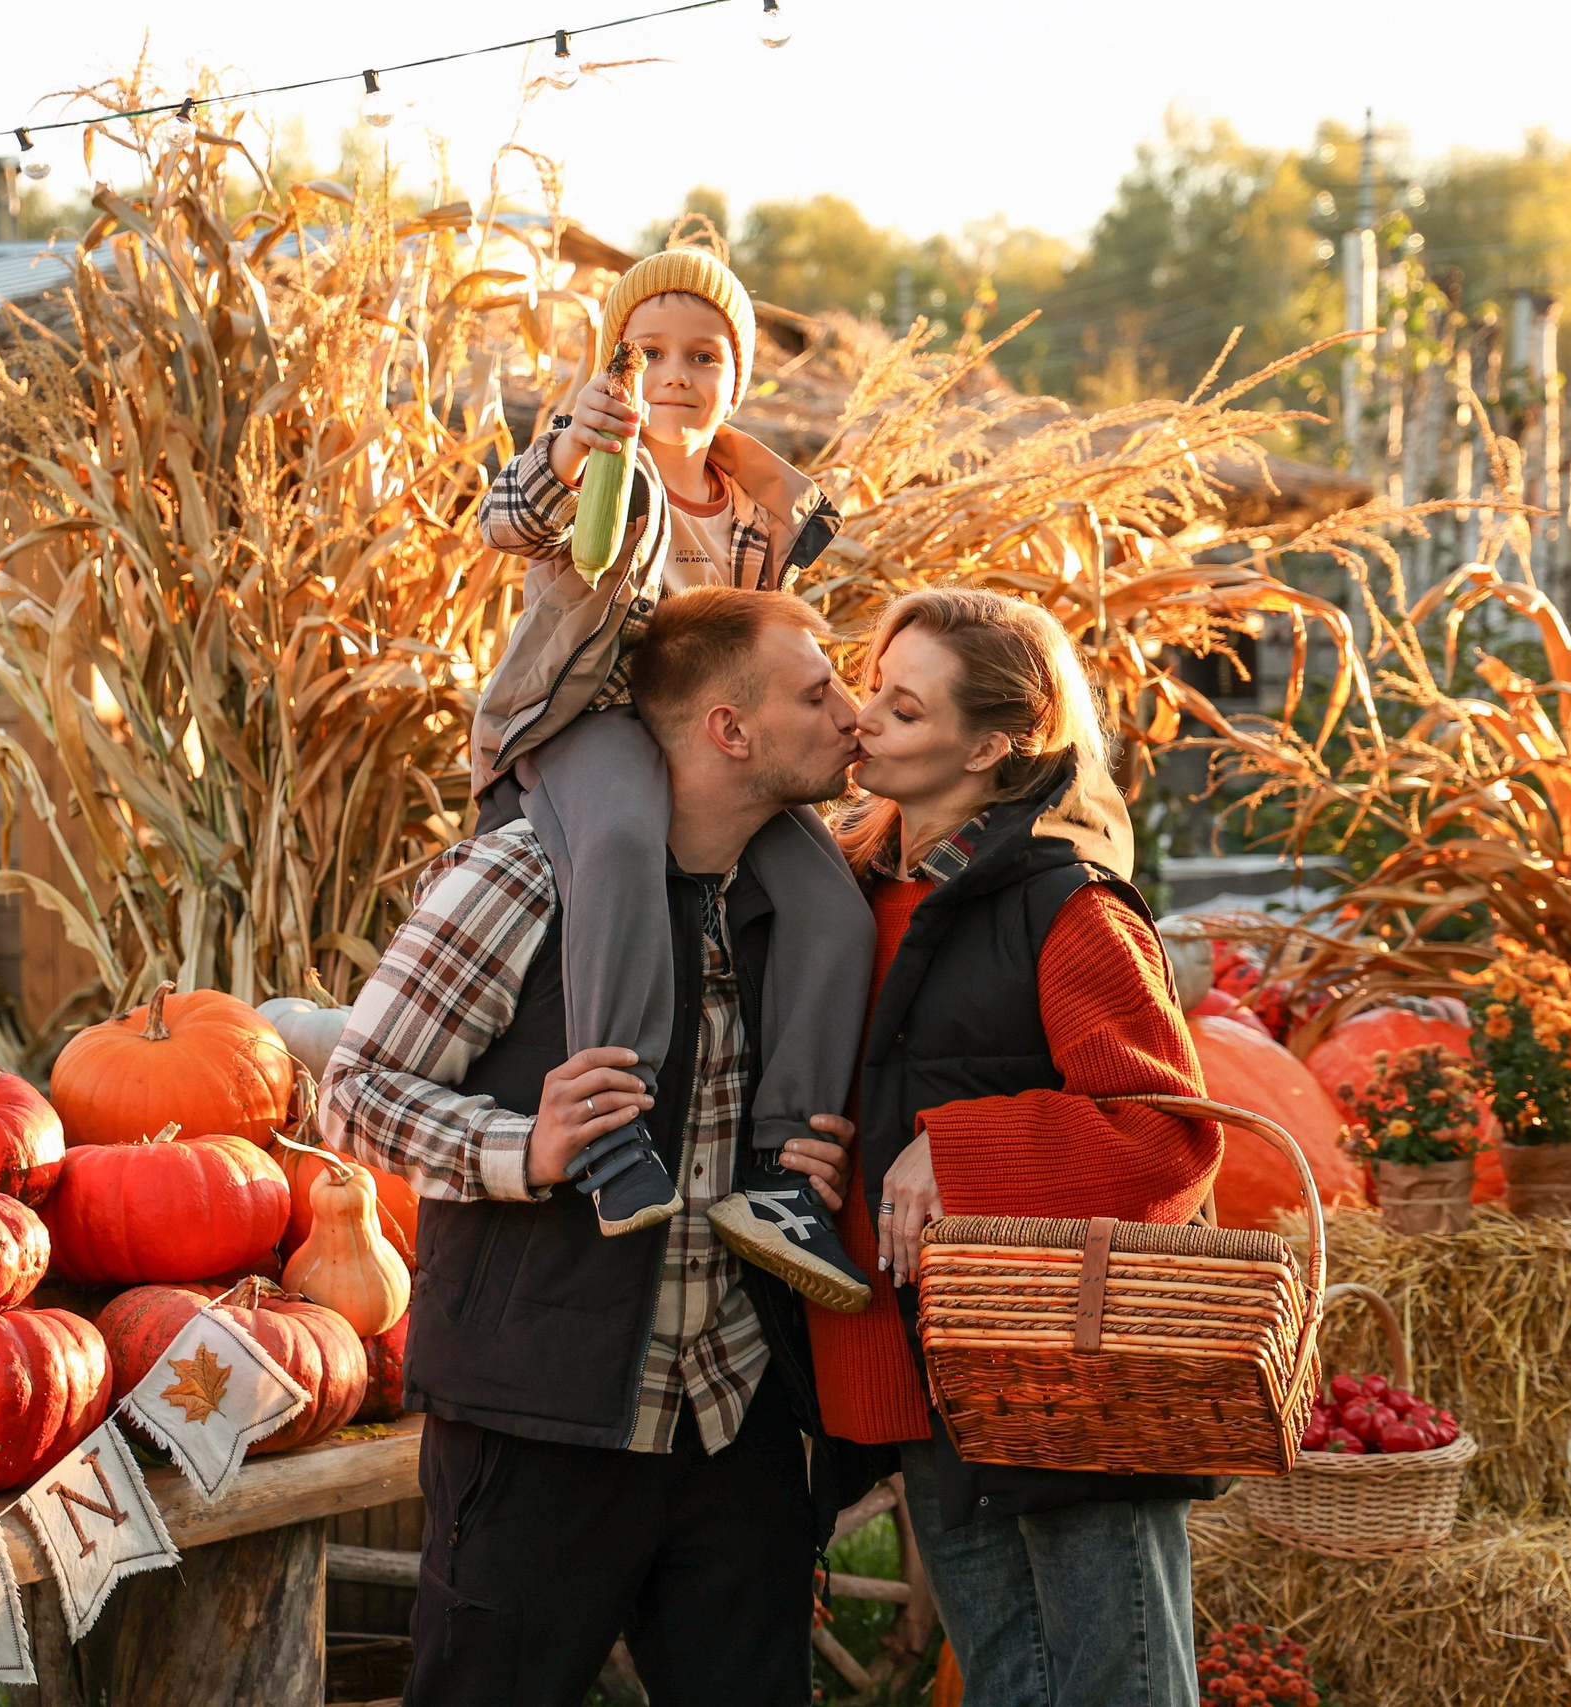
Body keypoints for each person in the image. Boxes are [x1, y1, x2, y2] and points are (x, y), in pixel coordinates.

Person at [324, 588, 873, 1707]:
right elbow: (351, 1094)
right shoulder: (524, 877)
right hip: (543, 1422)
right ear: (730, 730)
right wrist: (525, 1148)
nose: (852, 714)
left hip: (733, 1415)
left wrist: (830, 1165)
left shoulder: (795, 904)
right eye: (818, 693)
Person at [805, 587, 1226, 1707]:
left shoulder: (1065, 908)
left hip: (1061, 1362)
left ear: (992, 746)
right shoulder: (848, 886)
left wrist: (961, 1149)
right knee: (1005, 1682)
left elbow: (1169, 1139)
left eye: (903, 706)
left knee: (1115, 1689)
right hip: (926, 1358)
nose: (864, 718)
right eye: (870, 687)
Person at [470, 246, 873, 1313]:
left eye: (703, 354)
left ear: (735, 375)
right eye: (649, 351)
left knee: (829, 903)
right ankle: (610, 1134)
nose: (675, 374)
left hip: (711, 736)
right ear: (615, 365)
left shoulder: (756, 504)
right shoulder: (600, 465)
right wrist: (567, 450)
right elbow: (507, 521)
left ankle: (782, 1170)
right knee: (616, 845)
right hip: (588, 720)